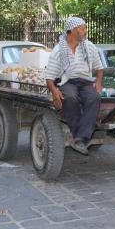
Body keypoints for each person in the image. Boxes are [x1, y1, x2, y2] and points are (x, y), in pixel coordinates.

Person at [45, 17, 103, 156]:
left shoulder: (89, 46)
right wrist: (54, 92)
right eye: (82, 29)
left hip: (85, 81)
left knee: (94, 97)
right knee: (70, 97)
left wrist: (99, 83)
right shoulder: (59, 50)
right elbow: (49, 77)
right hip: (67, 81)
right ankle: (80, 137)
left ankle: (80, 139)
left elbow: (99, 68)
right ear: (72, 31)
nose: (85, 31)